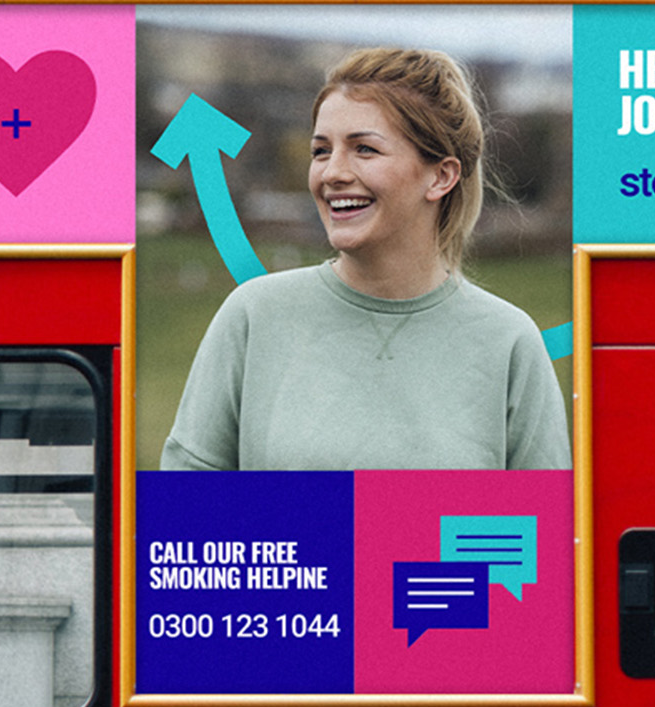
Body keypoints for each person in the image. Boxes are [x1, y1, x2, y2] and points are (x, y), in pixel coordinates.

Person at [162, 46, 571, 472]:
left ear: (441, 176)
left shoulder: (510, 342)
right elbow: (186, 514)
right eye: (321, 151)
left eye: (364, 149)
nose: (332, 173)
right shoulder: (253, 315)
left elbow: (543, 531)